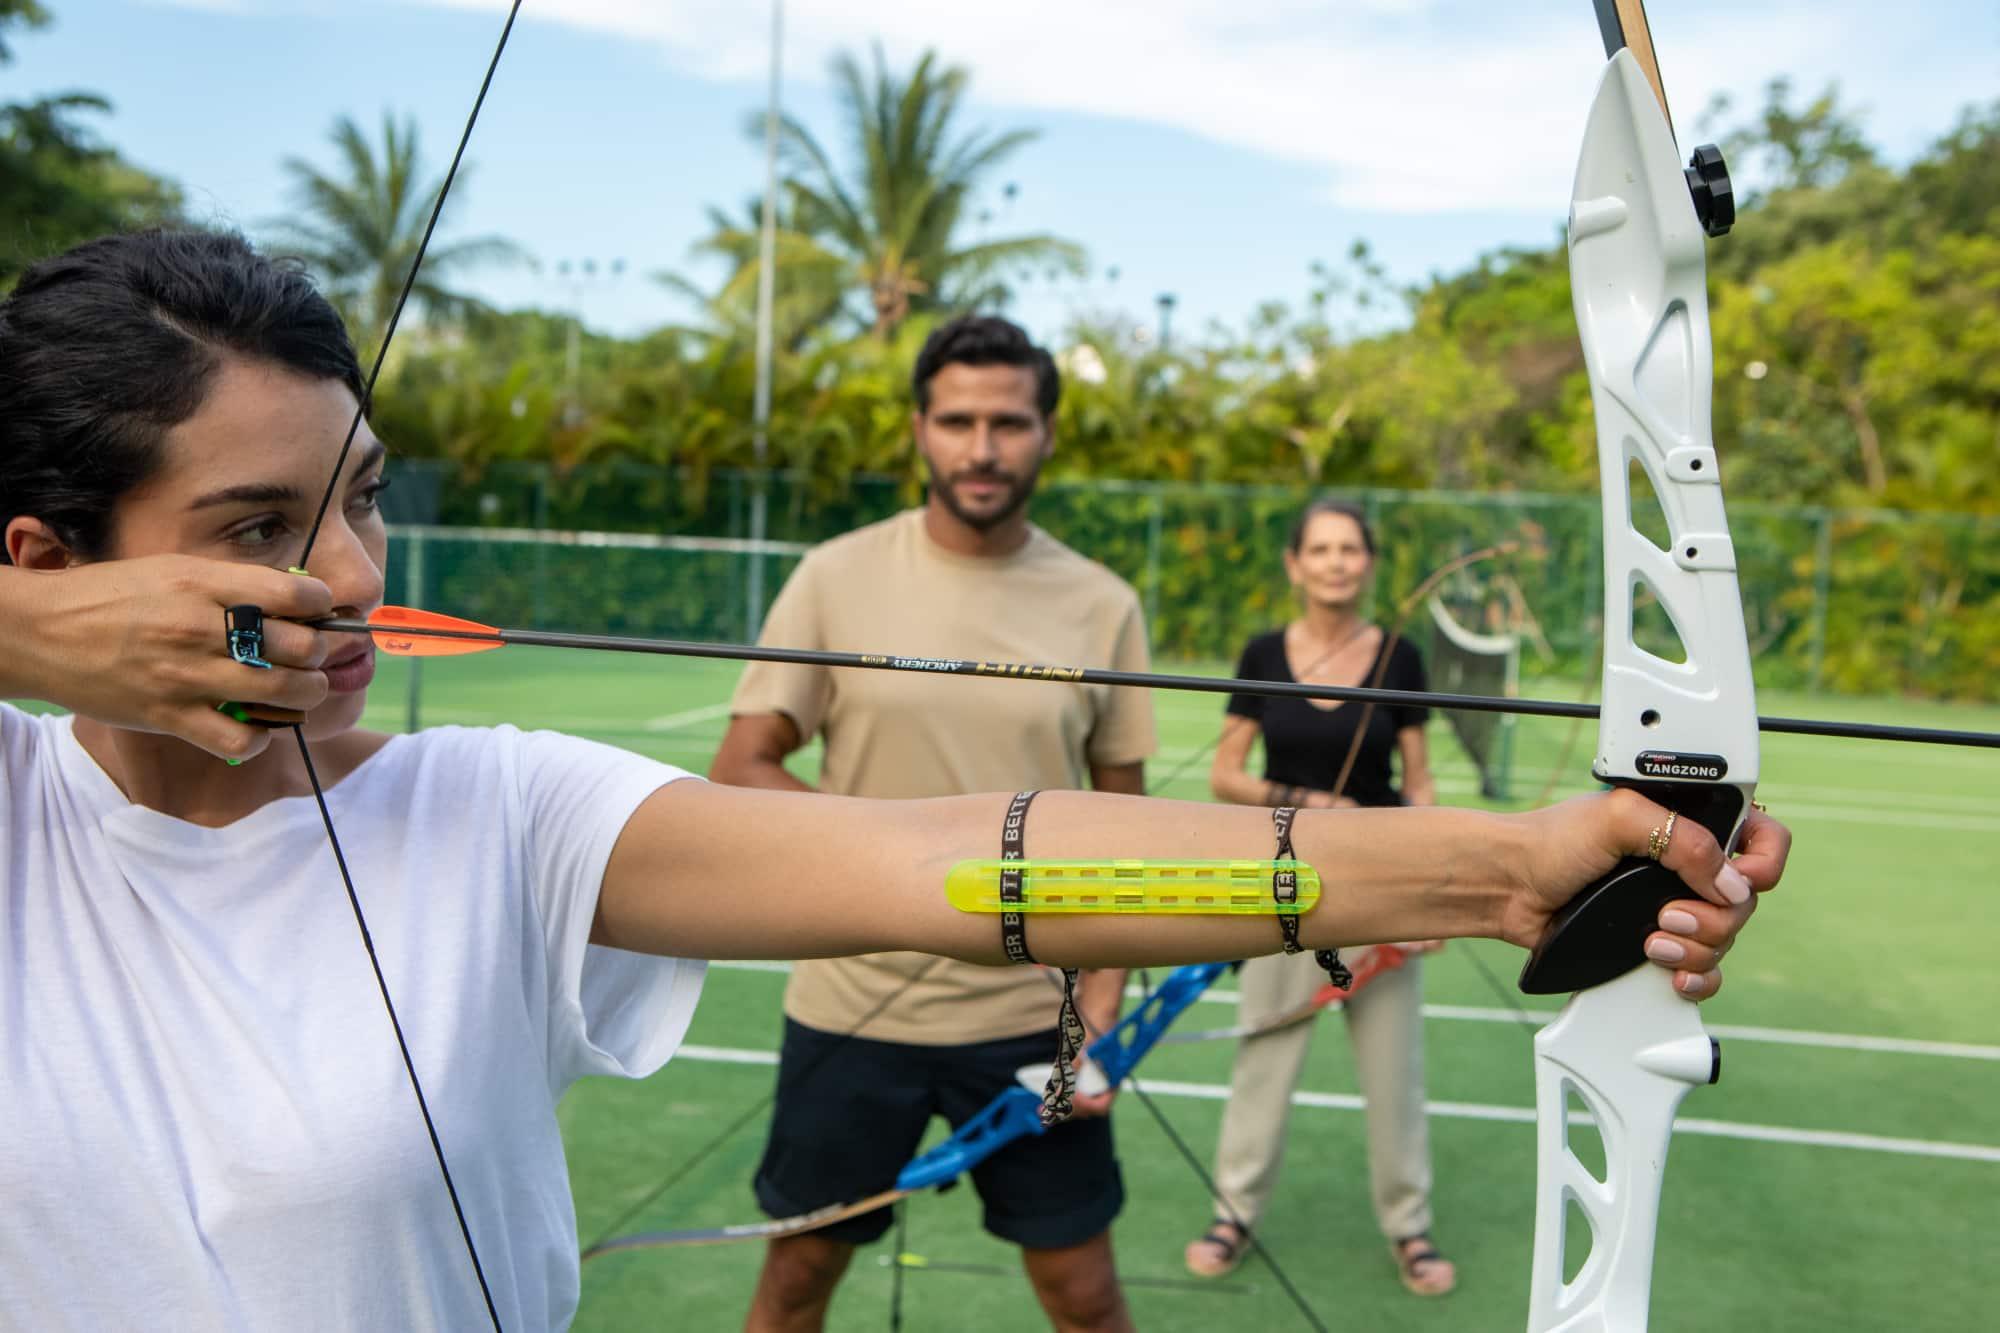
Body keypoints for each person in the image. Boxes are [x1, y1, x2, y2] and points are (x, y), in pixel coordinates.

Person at [0, 230, 1782, 1332]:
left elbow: (970, 856)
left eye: (362, 495)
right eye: (255, 531)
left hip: (993, 1024)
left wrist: (1505, 865)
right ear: (54, 557)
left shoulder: (489, 815)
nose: (350, 574)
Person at [708, 314, 1155, 1333]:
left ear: (1045, 431)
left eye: (1008, 420)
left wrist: (1101, 1014)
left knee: (1085, 1296)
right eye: (956, 420)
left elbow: (1131, 834)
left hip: (1034, 1022)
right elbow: (742, 765)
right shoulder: (834, 574)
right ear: (919, 429)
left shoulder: (1101, 603)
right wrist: (909, 861)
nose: (981, 446)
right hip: (851, 1006)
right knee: (796, 1280)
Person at [1185, 500, 1451, 1295]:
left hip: (1380, 892)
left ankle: (1409, 1226)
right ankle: (1233, 1210)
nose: (1336, 562)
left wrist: (1431, 890)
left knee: (1393, 1068)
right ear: (1295, 564)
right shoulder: (1263, 651)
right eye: (1320, 549)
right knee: (1264, 1051)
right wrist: (1307, 799)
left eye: (1350, 549)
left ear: (1368, 562)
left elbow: (1420, 780)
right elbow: (1226, 772)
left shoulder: (1401, 657)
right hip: (1283, 890)